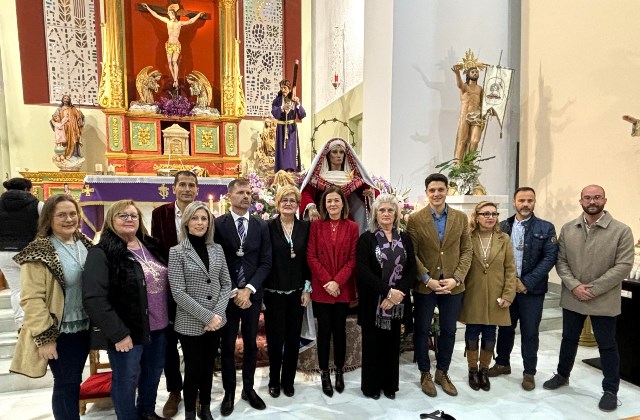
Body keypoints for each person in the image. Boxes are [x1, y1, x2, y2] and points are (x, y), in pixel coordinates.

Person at [543, 185, 634, 413]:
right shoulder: (568, 229)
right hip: (574, 295)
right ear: (580, 200)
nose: (592, 201)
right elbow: (561, 261)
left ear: (604, 199)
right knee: (568, 339)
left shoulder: (621, 231)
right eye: (587, 197)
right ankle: (563, 375)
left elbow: (623, 266)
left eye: (596, 197)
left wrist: (592, 289)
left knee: (607, 345)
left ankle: (610, 390)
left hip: (603, 298)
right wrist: (575, 286)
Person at [83, 200, 170, 420]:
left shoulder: (150, 246)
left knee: (152, 374)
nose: (129, 219)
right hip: (127, 331)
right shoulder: (102, 252)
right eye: (122, 215)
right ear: (111, 220)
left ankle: (147, 412)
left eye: (134, 215)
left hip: (159, 327)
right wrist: (118, 334)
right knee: (126, 379)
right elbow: (94, 298)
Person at [10, 194, 92, 419]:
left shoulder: (83, 242)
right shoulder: (39, 251)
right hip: (60, 331)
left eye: (72, 213)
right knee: (66, 383)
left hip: (85, 326)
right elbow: (31, 299)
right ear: (49, 218)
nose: (69, 219)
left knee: (74, 380)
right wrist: (46, 338)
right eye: (61, 215)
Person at [406, 173, 472, 398]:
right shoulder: (415, 219)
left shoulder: (461, 218)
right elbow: (411, 253)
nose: (436, 194)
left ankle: (442, 372)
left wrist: (457, 278)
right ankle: (425, 372)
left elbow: (466, 250)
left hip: (452, 285)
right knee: (422, 330)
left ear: (447, 191)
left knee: (449, 330)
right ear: (426, 193)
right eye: (432, 190)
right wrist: (426, 279)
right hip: (426, 286)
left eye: (440, 190)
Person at [488, 187, 559, 390]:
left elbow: (549, 258)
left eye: (529, 200)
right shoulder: (502, 226)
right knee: (505, 329)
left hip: (532, 291)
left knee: (530, 332)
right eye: (521, 200)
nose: (525, 204)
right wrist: (509, 284)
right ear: (514, 202)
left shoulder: (546, 228)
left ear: (534, 202)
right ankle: (502, 363)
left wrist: (526, 282)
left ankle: (529, 372)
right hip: (507, 288)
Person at [168, 201, 231, 420]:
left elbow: (226, 284)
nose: (200, 223)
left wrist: (218, 315)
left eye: (204, 218)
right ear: (186, 222)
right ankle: (189, 413)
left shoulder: (217, 249)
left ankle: (205, 409)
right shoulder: (177, 252)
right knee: (193, 370)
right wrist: (208, 316)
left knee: (208, 368)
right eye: (195, 218)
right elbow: (178, 292)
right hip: (190, 322)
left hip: (216, 320)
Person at [214, 178, 272, 416]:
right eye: (240, 192)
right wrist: (234, 290)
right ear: (230, 196)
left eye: (249, 192)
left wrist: (249, 289)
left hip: (252, 296)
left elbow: (266, 262)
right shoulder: (218, 224)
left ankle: (248, 388)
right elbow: (215, 261)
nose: (246, 196)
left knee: (250, 345)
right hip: (227, 297)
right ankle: (229, 392)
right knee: (227, 346)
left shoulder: (261, 225)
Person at [356, 194, 416, 400]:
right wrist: (387, 292)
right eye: (382, 210)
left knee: (392, 346)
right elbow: (363, 271)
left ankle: (390, 385)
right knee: (372, 345)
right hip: (374, 301)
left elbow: (411, 269)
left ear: (397, 214)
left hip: (397, 302)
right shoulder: (367, 239)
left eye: (390, 210)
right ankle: (371, 387)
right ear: (375, 214)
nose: (386, 214)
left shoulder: (405, 238)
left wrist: (397, 294)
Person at [151, 170, 199, 417]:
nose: (187, 189)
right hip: (168, 289)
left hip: (197, 290)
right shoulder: (160, 214)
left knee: (195, 343)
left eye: (191, 185)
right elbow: (156, 250)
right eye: (182, 184)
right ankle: (175, 391)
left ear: (197, 189)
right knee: (169, 343)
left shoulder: (204, 213)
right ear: (174, 188)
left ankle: (196, 388)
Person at [459, 201, 516, 392]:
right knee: (473, 331)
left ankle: (484, 370)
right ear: (477, 216)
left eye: (494, 214)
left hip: (496, 294)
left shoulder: (504, 238)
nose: (490, 217)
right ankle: (472, 370)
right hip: (473, 292)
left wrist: (508, 294)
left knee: (491, 333)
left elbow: (510, 268)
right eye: (486, 214)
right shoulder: (468, 237)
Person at [307, 186, 359, 397]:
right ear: (324, 204)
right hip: (322, 288)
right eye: (329, 201)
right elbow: (311, 256)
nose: (333, 204)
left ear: (343, 203)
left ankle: (339, 370)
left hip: (342, 288)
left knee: (339, 331)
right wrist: (328, 281)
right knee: (324, 331)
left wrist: (337, 282)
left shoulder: (353, 227)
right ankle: (324, 373)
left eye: (336, 200)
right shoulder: (316, 226)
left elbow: (353, 259)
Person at [264, 185, 311, 398]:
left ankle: (288, 381)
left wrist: (307, 288)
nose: (289, 204)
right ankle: (274, 380)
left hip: (297, 292)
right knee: (275, 339)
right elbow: (263, 260)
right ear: (277, 203)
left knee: (292, 339)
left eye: (292, 200)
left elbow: (308, 261)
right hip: (273, 292)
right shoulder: (267, 227)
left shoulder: (305, 228)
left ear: (298, 204)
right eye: (285, 200)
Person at [300, 137, 378, 233]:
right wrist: (311, 207)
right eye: (335, 152)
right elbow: (306, 193)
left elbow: (372, 191)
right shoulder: (318, 178)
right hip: (323, 219)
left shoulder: (353, 179)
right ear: (328, 155)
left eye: (341, 152)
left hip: (345, 219)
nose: (338, 155)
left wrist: (371, 195)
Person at [0, 177, 43, 332]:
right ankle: (36, 323)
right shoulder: (37, 204)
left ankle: (21, 324)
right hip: (28, 251)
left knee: (16, 290)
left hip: (3, 252)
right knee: (34, 289)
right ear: (28, 189)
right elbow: (47, 225)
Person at [141, 3, 204, 88]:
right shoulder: (167, 22)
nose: (171, 16)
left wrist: (199, 15)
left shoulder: (179, 23)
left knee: (174, 61)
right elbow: (156, 15)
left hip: (176, 44)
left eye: (172, 14)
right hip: (169, 44)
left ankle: (175, 80)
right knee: (170, 62)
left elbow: (190, 21)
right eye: (169, 14)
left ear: (174, 14)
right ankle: (174, 78)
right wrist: (148, 8)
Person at [452, 62, 485, 164]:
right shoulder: (465, 87)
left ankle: (469, 164)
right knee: (462, 141)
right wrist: (457, 73)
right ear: (468, 74)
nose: (475, 73)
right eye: (473, 72)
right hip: (465, 115)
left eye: (476, 72)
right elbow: (459, 85)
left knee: (474, 141)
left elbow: (484, 103)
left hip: (477, 116)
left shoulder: (480, 88)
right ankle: (459, 165)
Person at [271, 79, 306, 172]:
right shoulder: (277, 100)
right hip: (281, 128)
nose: (283, 90)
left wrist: (298, 104)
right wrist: (282, 108)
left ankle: (291, 171)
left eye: (285, 88)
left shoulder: (294, 100)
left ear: (289, 89)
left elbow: (302, 115)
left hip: (291, 129)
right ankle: (281, 171)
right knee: (282, 151)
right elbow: (274, 112)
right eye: (281, 88)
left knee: (290, 150)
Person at [50, 95, 84, 159]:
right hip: (64, 128)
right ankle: (64, 155)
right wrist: (54, 120)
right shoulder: (59, 109)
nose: (66, 100)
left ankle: (74, 155)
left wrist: (80, 116)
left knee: (74, 139)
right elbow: (54, 117)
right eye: (65, 98)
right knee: (64, 141)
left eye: (67, 98)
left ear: (69, 100)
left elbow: (79, 117)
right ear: (62, 100)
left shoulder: (73, 108)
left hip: (73, 127)